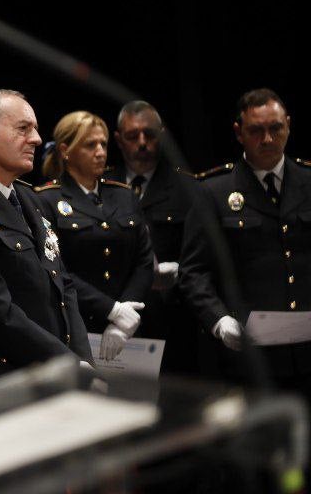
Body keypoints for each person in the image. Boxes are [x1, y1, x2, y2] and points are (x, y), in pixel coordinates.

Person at [0, 90, 92, 377]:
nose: (37, 138)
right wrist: (70, 363)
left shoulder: (29, 198)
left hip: (61, 369)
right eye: (24, 128)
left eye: (35, 129)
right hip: (12, 374)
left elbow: (64, 285)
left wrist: (84, 359)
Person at [178, 88, 311, 391]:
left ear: (288, 125)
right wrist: (219, 320)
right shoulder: (213, 191)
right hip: (251, 359)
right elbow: (193, 272)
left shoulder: (308, 182)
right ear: (239, 133)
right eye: (256, 130)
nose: (267, 139)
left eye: (275, 128)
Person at [36, 111, 154, 360]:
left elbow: (144, 260)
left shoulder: (124, 195)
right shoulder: (46, 200)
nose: (101, 151)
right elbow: (56, 269)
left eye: (103, 144)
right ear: (66, 150)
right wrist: (111, 310)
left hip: (130, 327)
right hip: (77, 328)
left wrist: (125, 314)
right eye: (90, 145)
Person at [108, 100, 198, 372]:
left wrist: (180, 271)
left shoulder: (189, 188)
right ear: (119, 140)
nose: (142, 142)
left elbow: (204, 257)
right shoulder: (102, 186)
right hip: (115, 317)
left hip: (173, 318)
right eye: (133, 136)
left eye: (149, 134)